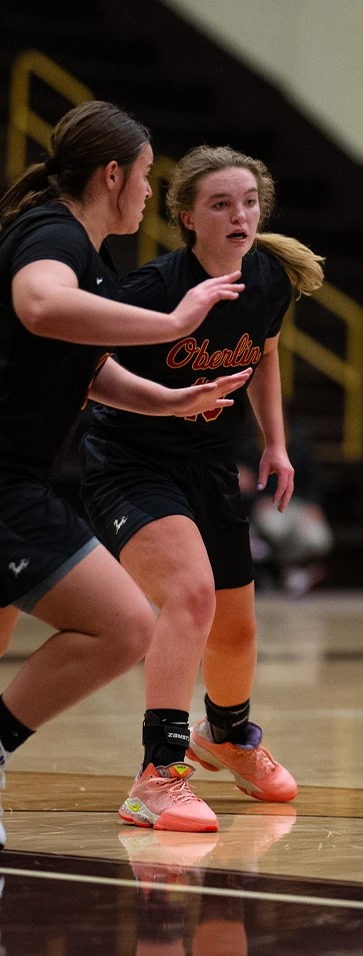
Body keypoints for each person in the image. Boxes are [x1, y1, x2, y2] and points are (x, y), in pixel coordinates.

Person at [0, 101, 249, 850]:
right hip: (5, 483)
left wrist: (171, 400)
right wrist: (176, 324)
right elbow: (40, 306)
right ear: (113, 175)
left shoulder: (89, 258)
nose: (148, 192)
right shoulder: (53, 235)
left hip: (21, 478)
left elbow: (86, 367)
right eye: (145, 177)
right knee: (124, 624)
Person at [79, 145, 325, 833]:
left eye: (248, 202)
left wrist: (274, 442)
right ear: (186, 217)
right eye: (221, 203)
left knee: (236, 624)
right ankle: (158, 773)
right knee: (188, 596)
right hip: (129, 461)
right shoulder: (154, 291)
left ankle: (229, 735)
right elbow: (86, 372)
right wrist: (162, 401)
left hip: (209, 461)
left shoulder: (269, 278)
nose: (239, 214)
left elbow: (265, 352)